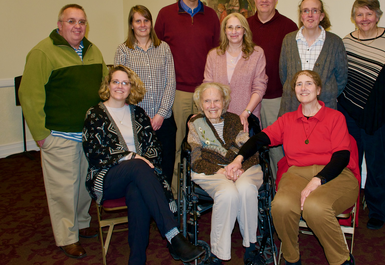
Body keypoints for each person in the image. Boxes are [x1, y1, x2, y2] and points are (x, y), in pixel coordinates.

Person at [225, 70, 359, 265]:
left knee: (316, 207)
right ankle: (291, 257)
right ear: (294, 90)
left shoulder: (335, 117)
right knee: (281, 206)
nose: (303, 88)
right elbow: (259, 139)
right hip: (297, 174)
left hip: (335, 175)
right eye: (299, 84)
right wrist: (238, 159)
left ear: (319, 89)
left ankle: (342, 259)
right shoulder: (287, 120)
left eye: (309, 83)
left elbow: (342, 156)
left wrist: (317, 180)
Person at [83, 65, 204, 265]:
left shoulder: (138, 113)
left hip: (138, 177)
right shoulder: (94, 114)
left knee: (137, 192)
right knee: (138, 166)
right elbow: (94, 152)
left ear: (131, 87)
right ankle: (174, 235)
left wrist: (139, 160)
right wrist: (131, 157)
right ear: (108, 85)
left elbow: (154, 149)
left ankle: (137, 260)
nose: (120, 86)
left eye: (125, 83)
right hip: (107, 177)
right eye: (116, 82)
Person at [18, 4, 107, 258]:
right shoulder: (43, 52)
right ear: (60, 25)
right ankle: (66, 236)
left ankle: (80, 223)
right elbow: (29, 94)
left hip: (88, 136)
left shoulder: (92, 50)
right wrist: (40, 134)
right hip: (59, 135)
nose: (77, 26)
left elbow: (103, 85)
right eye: (71, 21)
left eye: (81, 21)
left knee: (82, 186)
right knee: (63, 189)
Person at [337, 0, 385, 230]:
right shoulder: (346, 41)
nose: (364, 19)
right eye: (359, 14)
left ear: (378, 15)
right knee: (349, 164)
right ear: (353, 17)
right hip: (349, 112)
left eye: (369, 13)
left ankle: (377, 211)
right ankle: (347, 206)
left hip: (379, 116)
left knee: (377, 166)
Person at [154, 0, 220, 192]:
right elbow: (156, 51)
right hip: (178, 91)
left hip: (205, 93)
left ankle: (202, 191)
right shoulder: (165, 14)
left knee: (205, 145)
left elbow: (217, 53)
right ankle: (175, 193)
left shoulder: (211, 16)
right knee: (178, 144)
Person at [188, 82, 263, 265]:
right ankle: (218, 254)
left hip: (241, 166)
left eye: (216, 100)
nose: (212, 105)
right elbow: (196, 159)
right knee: (228, 193)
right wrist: (220, 170)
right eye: (207, 101)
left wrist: (239, 168)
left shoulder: (234, 120)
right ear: (200, 103)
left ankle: (251, 247)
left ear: (225, 102)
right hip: (211, 169)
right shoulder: (195, 124)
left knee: (246, 189)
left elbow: (249, 150)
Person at [114, 5, 177, 183]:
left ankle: (165, 201)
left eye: (146, 20)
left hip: (163, 120)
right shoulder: (123, 50)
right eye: (138, 21)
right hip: (136, 120)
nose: (142, 24)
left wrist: (160, 115)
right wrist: (142, 117)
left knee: (166, 163)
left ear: (151, 23)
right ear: (131, 25)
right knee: (143, 167)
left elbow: (170, 83)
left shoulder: (163, 48)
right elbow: (120, 88)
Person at [247, 0, 298, 179]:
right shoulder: (245, 26)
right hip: (247, 99)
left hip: (274, 99)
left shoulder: (288, 26)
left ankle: (280, 195)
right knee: (249, 147)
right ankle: (257, 196)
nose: (264, 0)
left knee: (276, 148)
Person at [279, 0, 347, 117]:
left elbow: (341, 79)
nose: (310, 15)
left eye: (315, 10)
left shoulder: (335, 42)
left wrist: (325, 93)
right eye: (306, 11)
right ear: (301, 16)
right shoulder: (288, 40)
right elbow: (284, 75)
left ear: (321, 16)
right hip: (292, 108)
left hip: (324, 108)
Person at [203, 12, 268, 133]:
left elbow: (259, 88)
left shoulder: (257, 54)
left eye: (238, 27)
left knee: (245, 152)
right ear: (225, 31)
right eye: (230, 27)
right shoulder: (213, 55)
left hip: (246, 118)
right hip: (217, 118)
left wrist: (246, 113)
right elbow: (207, 88)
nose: (234, 31)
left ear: (244, 30)